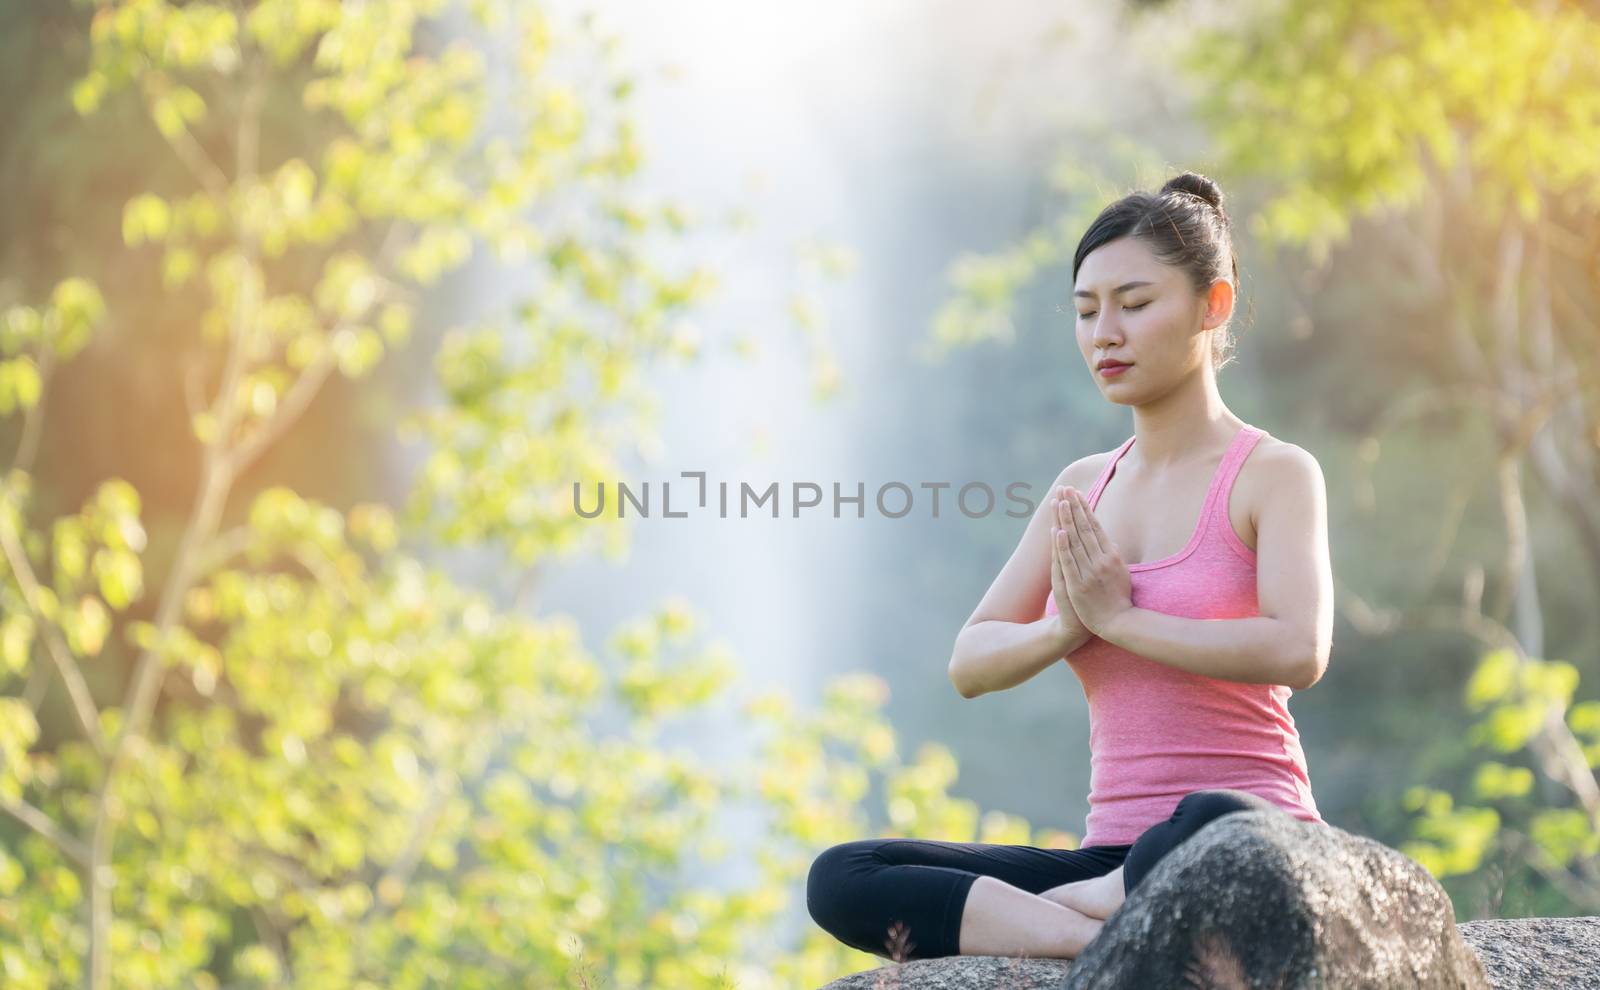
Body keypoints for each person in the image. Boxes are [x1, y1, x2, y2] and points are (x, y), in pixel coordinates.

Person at [806, 171, 1335, 962]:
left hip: (1245, 834)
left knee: (1211, 827)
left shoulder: (1274, 473)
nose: (1104, 333)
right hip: (1112, 862)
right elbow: (971, 661)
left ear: (1212, 304)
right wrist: (1068, 626)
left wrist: (1124, 621)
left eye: (1135, 302)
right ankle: (1105, 939)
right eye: (1086, 312)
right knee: (845, 874)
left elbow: (1299, 648)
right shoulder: (1085, 487)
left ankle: (1048, 926)